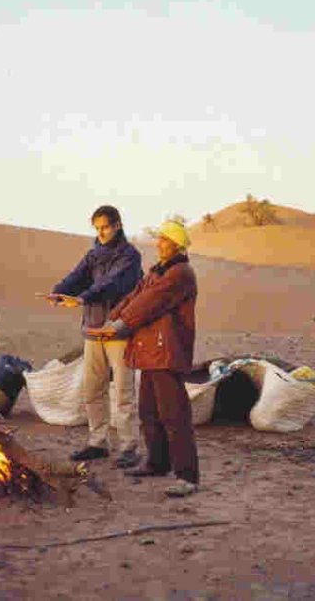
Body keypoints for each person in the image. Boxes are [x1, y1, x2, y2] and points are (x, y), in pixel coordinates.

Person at [88, 219, 200, 498]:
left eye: (163, 239)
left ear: (175, 245)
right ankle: (157, 462)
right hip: (150, 352)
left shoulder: (180, 274)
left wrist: (117, 325)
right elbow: (135, 295)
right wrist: (113, 319)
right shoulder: (157, 272)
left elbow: (150, 301)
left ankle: (187, 476)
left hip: (167, 353)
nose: (158, 243)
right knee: (149, 412)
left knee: (175, 415)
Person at [45, 205, 143, 468]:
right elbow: (77, 277)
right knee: (92, 389)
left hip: (118, 331)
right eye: (97, 228)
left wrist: (81, 298)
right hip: (92, 331)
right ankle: (97, 442)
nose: (101, 233)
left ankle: (128, 447)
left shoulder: (130, 257)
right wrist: (58, 292)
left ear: (118, 225)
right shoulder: (93, 255)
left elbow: (110, 284)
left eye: (105, 227)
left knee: (122, 391)